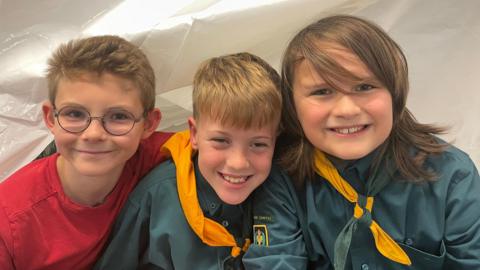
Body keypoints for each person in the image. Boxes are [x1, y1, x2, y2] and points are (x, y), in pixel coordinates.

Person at [246, 14, 480, 270]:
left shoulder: (453, 176)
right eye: (322, 91)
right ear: (292, 106)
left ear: (396, 94)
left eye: (365, 87)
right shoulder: (281, 178)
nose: (347, 110)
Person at [95, 52, 306, 269]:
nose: (238, 163)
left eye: (258, 144)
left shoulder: (276, 189)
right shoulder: (155, 195)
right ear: (194, 134)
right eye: (221, 141)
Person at [0, 35, 174, 269]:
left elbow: (216, 145)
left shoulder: (154, 153)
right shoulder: (10, 219)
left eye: (119, 116)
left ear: (149, 124)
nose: (93, 134)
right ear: (50, 118)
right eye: (74, 114)